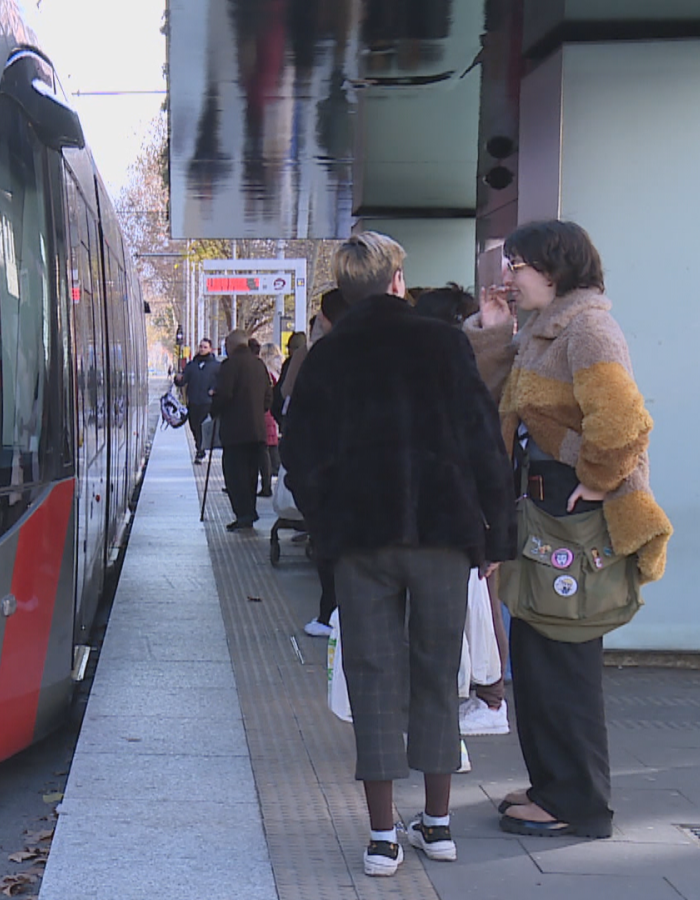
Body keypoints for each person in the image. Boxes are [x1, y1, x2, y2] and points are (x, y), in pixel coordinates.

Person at [283, 232, 514, 877]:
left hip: (361, 542)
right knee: (440, 673)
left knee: (374, 680)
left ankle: (382, 837)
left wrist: (329, 523)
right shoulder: (444, 344)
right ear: (396, 280)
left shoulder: (330, 356)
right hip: (441, 537)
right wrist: (495, 536)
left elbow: (299, 455)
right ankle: (437, 827)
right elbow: (481, 441)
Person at [465, 220, 672, 840]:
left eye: (518, 265)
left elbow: (624, 418)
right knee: (537, 655)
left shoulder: (589, 328)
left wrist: (601, 478)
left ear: (554, 271)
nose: (509, 276)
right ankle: (553, 785)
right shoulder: (546, 328)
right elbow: (498, 396)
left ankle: (579, 803)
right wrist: (495, 330)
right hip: (546, 511)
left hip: (570, 514)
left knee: (563, 661)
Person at [414, 284, 510, 736]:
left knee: (480, 608)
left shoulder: (466, 361)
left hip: (469, 504)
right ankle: (485, 696)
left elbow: (483, 438)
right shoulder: (464, 360)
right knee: (475, 607)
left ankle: (490, 699)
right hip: (469, 503)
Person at [298, 288, 350, 640]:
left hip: (333, 490)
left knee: (334, 560)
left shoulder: (322, 357)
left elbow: (298, 420)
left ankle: (330, 614)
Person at [210, 329, 272, 531]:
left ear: (231, 345)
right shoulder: (259, 365)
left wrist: (214, 408)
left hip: (235, 432)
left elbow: (225, 394)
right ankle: (249, 512)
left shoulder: (230, 366)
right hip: (256, 431)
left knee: (235, 475)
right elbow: (268, 399)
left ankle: (243, 514)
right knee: (251, 474)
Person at [173, 338, 220, 463]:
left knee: (202, 426)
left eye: (205, 347)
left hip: (207, 402)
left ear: (210, 349)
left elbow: (222, 382)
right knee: (194, 426)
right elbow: (183, 381)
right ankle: (199, 445)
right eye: (201, 346)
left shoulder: (216, 366)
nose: (202, 349)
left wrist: (215, 390)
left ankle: (200, 449)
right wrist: (178, 379)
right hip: (193, 401)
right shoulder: (192, 365)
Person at [251, 337, 280, 497]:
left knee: (263, 451)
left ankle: (266, 485)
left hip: (264, 414)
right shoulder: (277, 372)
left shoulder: (264, 372)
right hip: (272, 414)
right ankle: (267, 483)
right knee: (268, 449)